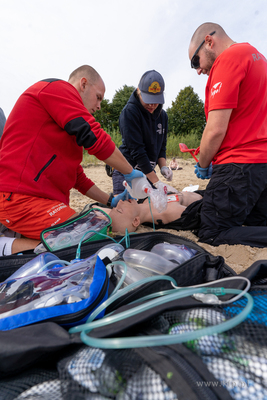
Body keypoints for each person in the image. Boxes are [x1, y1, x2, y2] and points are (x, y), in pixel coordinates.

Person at [0, 65, 144, 255]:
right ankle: (5, 246)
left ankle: (12, 237)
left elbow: (76, 177)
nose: (100, 105)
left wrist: (110, 200)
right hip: (18, 196)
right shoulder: (57, 90)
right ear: (83, 84)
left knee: (87, 231)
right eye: (98, 97)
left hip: (40, 201)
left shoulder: (65, 127)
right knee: (82, 236)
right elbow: (93, 135)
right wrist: (129, 171)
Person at [188, 22, 267, 247]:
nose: (198, 70)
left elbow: (215, 129)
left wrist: (203, 163)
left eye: (196, 61)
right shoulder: (259, 58)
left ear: (209, 41)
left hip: (239, 165)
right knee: (255, 224)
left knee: (212, 232)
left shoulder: (228, 59)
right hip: (262, 165)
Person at [112, 70, 176, 195]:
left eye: (156, 100)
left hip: (148, 173)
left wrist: (163, 167)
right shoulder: (129, 112)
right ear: (138, 91)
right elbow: (137, 151)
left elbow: (161, 146)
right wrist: (158, 183)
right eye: (148, 99)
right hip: (127, 172)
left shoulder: (163, 116)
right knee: (126, 211)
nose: (152, 105)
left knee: (149, 211)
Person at [104, 191, 203, 234]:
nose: (120, 202)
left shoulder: (144, 203)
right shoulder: (168, 213)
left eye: (115, 206)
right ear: (136, 221)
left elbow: (95, 208)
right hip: (202, 196)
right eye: (120, 210)